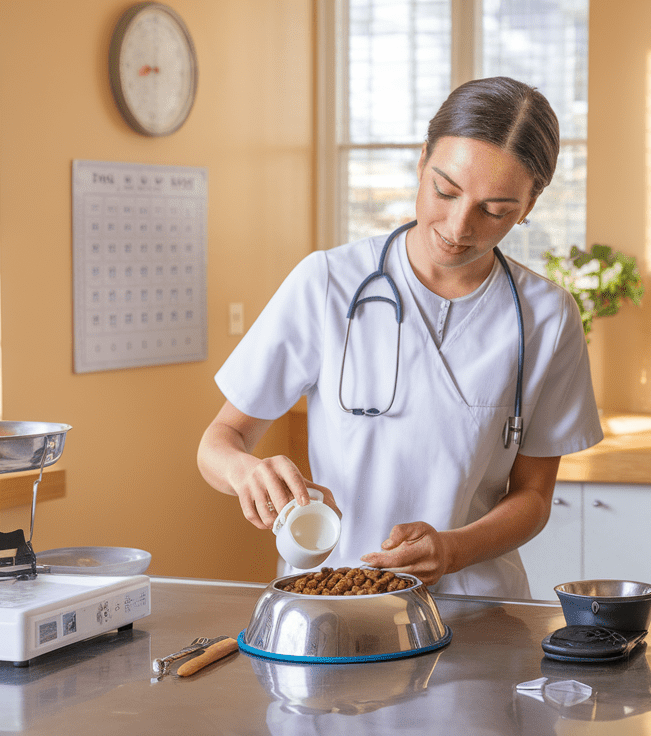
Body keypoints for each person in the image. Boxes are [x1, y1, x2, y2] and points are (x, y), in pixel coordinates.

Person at [197, 76, 602, 598]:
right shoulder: (327, 283)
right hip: (335, 599)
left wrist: (454, 549)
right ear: (421, 161)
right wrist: (245, 472)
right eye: (445, 190)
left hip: (476, 613)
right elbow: (218, 442)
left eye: (495, 210)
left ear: (529, 205)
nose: (458, 226)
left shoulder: (547, 317)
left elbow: (533, 498)